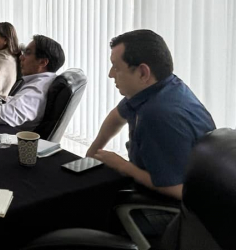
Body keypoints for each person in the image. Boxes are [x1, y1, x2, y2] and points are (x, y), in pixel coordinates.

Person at [86, 30, 215, 200]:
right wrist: (93, 152)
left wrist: (123, 166)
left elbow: (178, 190)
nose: (111, 74)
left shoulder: (158, 115)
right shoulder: (162, 87)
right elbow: (117, 116)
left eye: (116, 68)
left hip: (176, 208)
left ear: (143, 73)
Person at [0, 35, 65, 130]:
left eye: (27, 53)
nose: (21, 57)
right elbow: (18, 104)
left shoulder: (36, 90)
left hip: (7, 134)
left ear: (42, 62)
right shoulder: (42, 82)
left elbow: (6, 114)